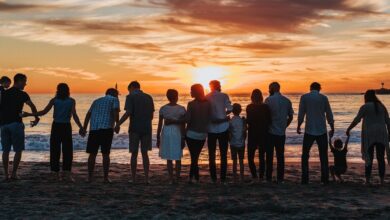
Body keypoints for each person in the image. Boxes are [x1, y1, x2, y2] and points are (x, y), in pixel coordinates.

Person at [23, 83, 84, 182]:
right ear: (68, 90)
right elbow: (75, 115)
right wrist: (81, 127)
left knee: (55, 150)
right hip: (66, 127)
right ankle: (66, 174)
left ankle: (55, 174)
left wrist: (29, 114)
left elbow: (43, 112)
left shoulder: (54, 100)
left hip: (56, 126)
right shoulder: (71, 101)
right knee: (67, 150)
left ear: (57, 90)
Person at [1, 73, 40, 181]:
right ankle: (13, 174)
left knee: (5, 150)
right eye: (24, 81)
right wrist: (36, 118)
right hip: (15, 124)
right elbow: (32, 106)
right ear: (18, 81)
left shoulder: (3, 93)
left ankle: (6, 175)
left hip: (3, 125)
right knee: (18, 150)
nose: (25, 84)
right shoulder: (22, 94)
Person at [346, 90, 390, 185]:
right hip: (381, 133)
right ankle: (382, 180)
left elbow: (357, 120)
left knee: (369, 157)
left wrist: (349, 129)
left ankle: (367, 180)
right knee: (381, 158)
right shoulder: (382, 107)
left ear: (366, 97)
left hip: (369, 134)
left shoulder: (365, 107)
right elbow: (388, 122)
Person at [116, 81, 154, 184]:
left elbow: (128, 112)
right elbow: (151, 115)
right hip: (147, 128)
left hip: (135, 128)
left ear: (131, 87)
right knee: (145, 153)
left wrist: (118, 123)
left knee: (134, 153)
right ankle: (146, 179)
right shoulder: (149, 97)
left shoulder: (130, 97)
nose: (129, 92)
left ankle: (133, 179)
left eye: (129, 90)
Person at [298, 82, 334, 184]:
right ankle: (325, 179)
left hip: (309, 130)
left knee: (305, 155)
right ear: (319, 89)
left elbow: (301, 113)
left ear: (310, 88)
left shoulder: (304, 97)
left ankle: (305, 179)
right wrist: (332, 126)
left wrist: (299, 125)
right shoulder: (324, 98)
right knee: (323, 156)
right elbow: (329, 113)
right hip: (321, 130)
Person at [83, 88, 120, 183]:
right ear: (114, 94)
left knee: (92, 154)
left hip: (94, 129)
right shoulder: (114, 99)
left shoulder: (96, 101)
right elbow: (116, 112)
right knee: (106, 154)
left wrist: (84, 127)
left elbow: (88, 114)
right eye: (117, 94)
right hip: (106, 128)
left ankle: (90, 177)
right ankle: (105, 178)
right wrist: (117, 124)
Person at [264, 82, 294, 183]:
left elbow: (265, 117)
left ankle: (268, 177)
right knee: (280, 156)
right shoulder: (287, 101)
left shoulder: (268, 100)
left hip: (270, 132)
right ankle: (280, 178)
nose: (268, 90)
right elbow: (291, 116)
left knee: (269, 156)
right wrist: (285, 126)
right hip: (281, 132)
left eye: (269, 88)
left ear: (272, 88)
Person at [156, 89, 186, 184]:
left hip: (166, 132)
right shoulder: (181, 109)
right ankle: (177, 177)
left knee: (169, 157)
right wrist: (183, 137)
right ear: (177, 97)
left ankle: (171, 179)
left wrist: (158, 137)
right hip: (177, 132)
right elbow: (183, 124)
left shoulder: (163, 108)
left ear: (167, 97)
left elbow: (160, 124)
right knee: (177, 156)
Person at [205, 80, 233, 184]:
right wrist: (223, 114)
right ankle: (223, 178)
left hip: (211, 129)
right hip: (223, 128)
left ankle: (213, 178)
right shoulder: (224, 96)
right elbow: (230, 109)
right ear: (219, 86)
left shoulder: (206, 96)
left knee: (211, 154)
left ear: (210, 87)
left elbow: (206, 112)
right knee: (223, 154)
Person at [185, 84, 211, 184]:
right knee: (195, 157)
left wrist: (178, 118)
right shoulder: (208, 104)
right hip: (202, 135)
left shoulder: (191, 104)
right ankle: (194, 178)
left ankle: (194, 178)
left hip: (191, 134)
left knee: (194, 157)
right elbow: (209, 118)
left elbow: (188, 120)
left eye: (191, 90)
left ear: (195, 92)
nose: (190, 92)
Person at [246, 89, 271, 182]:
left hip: (252, 134)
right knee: (261, 157)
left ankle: (254, 176)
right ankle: (261, 176)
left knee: (250, 157)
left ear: (252, 97)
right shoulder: (266, 107)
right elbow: (269, 121)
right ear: (261, 97)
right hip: (264, 134)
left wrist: (244, 121)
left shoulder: (249, 107)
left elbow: (249, 121)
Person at [229, 103, 246, 183]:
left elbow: (229, 132)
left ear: (232, 111)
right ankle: (242, 177)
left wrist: (230, 140)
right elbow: (244, 131)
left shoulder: (231, 121)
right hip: (241, 143)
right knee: (241, 160)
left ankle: (235, 177)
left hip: (233, 143)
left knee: (235, 161)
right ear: (240, 111)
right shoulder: (242, 120)